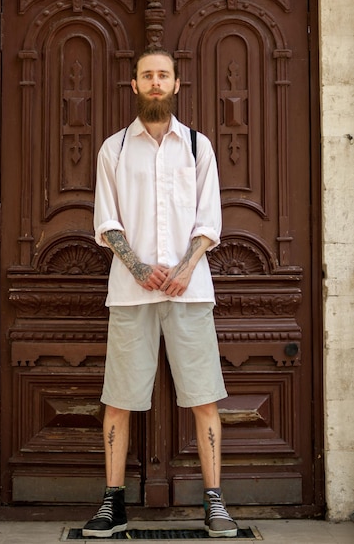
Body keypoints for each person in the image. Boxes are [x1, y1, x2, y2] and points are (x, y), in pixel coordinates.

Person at [82, 48, 237, 539]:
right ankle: (113, 503)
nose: (155, 82)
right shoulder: (114, 149)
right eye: (147, 75)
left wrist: (188, 267)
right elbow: (107, 221)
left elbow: (209, 218)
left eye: (162, 75)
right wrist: (138, 267)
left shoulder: (197, 146)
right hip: (131, 294)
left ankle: (215, 503)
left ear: (176, 84)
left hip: (190, 294)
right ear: (133, 85)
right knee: (119, 400)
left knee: (204, 397)